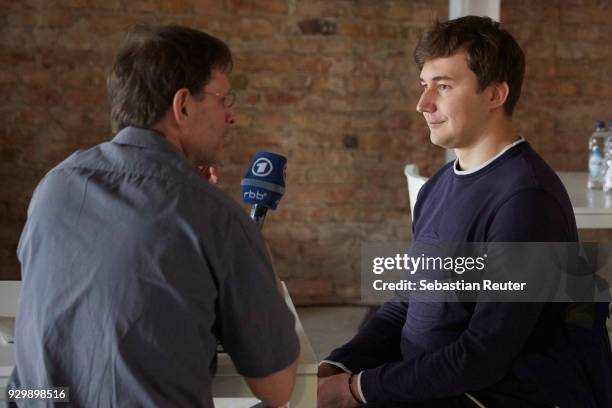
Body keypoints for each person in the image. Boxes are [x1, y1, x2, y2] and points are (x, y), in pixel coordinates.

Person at [318, 16, 612, 408]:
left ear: (494, 95)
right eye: (424, 86)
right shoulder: (439, 186)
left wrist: (358, 389)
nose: (423, 104)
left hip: (482, 395)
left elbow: (485, 355)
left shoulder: (527, 200)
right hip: (421, 380)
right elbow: (405, 301)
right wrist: (337, 367)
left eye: (443, 86)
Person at [9, 24, 299, 407]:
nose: (233, 117)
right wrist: (248, 248)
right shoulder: (215, 216)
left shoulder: (54, 186)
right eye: (224, 100)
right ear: (183, 106)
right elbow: (277, 388)